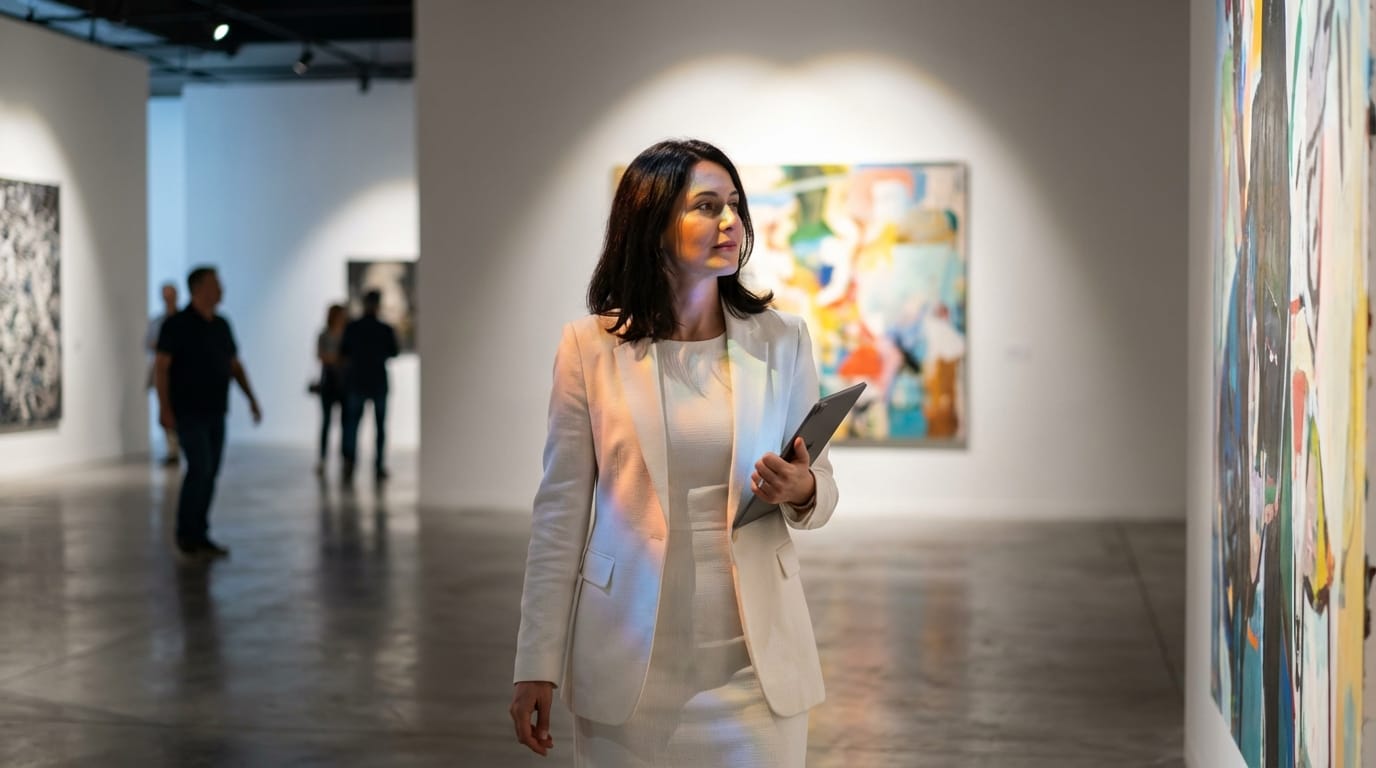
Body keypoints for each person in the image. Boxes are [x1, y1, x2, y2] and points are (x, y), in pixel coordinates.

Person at [509, 139, 839, 766]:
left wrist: (802, 490)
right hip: (629, 663)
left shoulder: (782, 339)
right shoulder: (588, 348)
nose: (730, 222)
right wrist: (536, 663)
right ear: (652, 223)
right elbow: (559, 517)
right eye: (706, 206)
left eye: (735, 206)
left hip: (755, 664)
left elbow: (818, 481)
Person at [154, 266, 262, 562]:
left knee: (210, 472)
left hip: (216, 411)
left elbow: (234, 366)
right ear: (199, 288)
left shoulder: (221, 325)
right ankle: (186, 534)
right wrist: (163, 408)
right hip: (188, 411)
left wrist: (251, 398)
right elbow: (161, 368)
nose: (222, 290)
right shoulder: (176, 326)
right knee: (199, 468)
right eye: (216, 284)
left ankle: (199, 532)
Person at [339, 289, 399, 482]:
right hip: (376, 381)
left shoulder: (353, 327)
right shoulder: (384, 329)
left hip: (358, 381)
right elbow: (394, 351)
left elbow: (343, 351)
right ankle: (378, 465)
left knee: (354, 425)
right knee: (377, 426)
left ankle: (350, 462)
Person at [146, 282, 182, 466]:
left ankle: (180, 447)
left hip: (182, 373)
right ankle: (173, 450)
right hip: (163, 371)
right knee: (165, 406)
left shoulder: (184, 322)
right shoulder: (158, 322)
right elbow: (149, 343)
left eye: (171, 295)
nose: (168, 299)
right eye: (165, 295)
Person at [314, 303, 349, 476]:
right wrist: (336, 359)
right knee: (326, 423)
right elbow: (320, 356)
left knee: (344, 424)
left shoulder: (347, 335)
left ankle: (344, 459)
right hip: (329, 383)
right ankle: (322, 458)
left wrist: (334, 359)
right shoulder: (324, 334)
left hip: (344, 384)